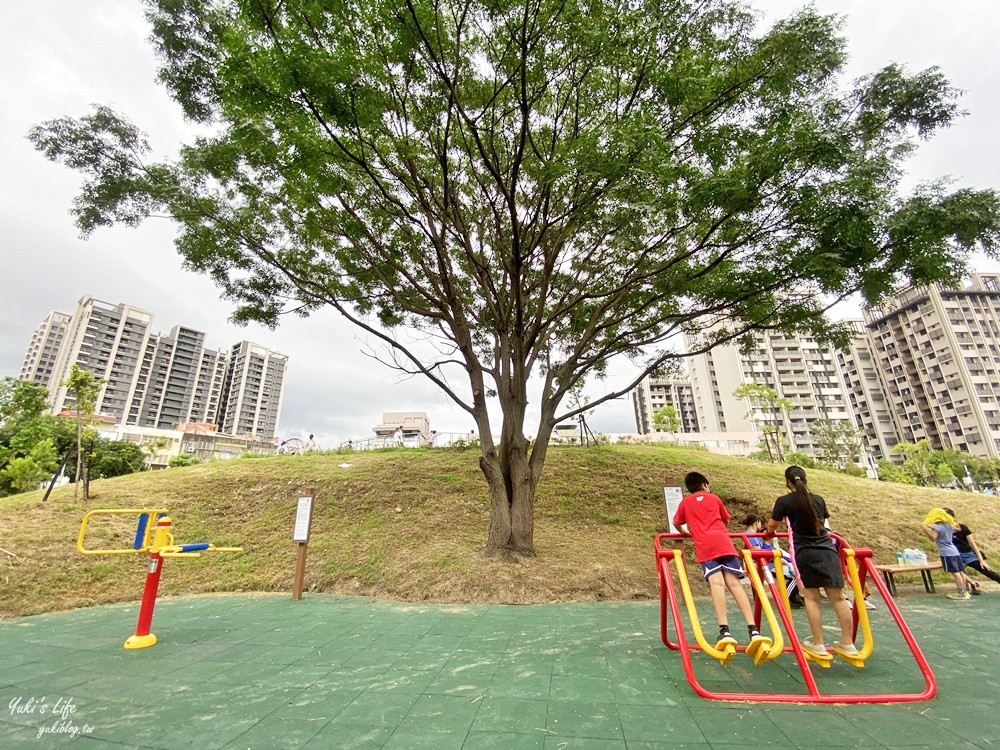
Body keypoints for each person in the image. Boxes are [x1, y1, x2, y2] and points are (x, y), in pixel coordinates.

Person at [766, 466, 859, 659]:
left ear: (787, 481)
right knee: (839, 598)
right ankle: (848, 642)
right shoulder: (818, 500)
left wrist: (769, 533)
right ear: (805, 480)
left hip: (804, 552)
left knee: (811, 597)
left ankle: (818, 643)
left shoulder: (784, 501)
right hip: (827, 550)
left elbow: (772, 525)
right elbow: (824, 523)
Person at [673, 472, 764, 649]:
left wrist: (686, 533)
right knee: (735, 584)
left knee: (717, 584)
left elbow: (677, 522)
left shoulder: (685, 502)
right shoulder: (714, 498)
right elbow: (725, 519)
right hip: (724, 542)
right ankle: (753, 629)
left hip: (705, 545)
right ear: (704, 486)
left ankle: (725, 630)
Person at [741, 513, 804, 608]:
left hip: (764, 562)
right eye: (760, 522)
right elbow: (757, 551)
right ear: (756, 522)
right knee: (793, 575)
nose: (760, 525)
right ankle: (785, 599)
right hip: (761, 563)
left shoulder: (755, 535)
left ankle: (789, 598)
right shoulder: (750, 534)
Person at [921, 507, 971, 600]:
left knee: (955, 572)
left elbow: (933, 538)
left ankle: (960, 592)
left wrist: (925, 529)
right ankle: (964, 590)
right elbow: (958, 529)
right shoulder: (949, 525)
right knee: (960, 571)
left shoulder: (936, 527)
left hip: (946, 552)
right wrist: (954, 520)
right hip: (955, 551)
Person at [945, 507, 1000, 588]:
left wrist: (981, 560)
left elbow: (972, 544)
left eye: (948, 516)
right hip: (953, 555)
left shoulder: (963, 528)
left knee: (986, 570)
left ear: (953, 517)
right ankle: (972, 583)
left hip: (968, 554)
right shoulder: (943, 529)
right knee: (957, 571)